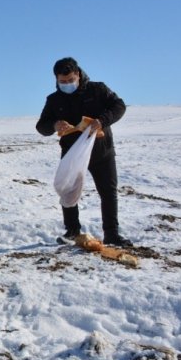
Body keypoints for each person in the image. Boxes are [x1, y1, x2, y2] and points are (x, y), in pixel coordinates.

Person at [36, 57, 132, 247]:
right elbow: (42, 126)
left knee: (108, 191)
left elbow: (119, 106)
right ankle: (72, 231)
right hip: (72, 154)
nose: (66, 84)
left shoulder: (98, 90)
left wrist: (102, 120)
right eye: (61, 82)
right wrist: (55, 124)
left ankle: (111, 234)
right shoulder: (54, 100)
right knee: (68, 190)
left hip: (101, 151)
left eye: (70, 80)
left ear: (78, 75)